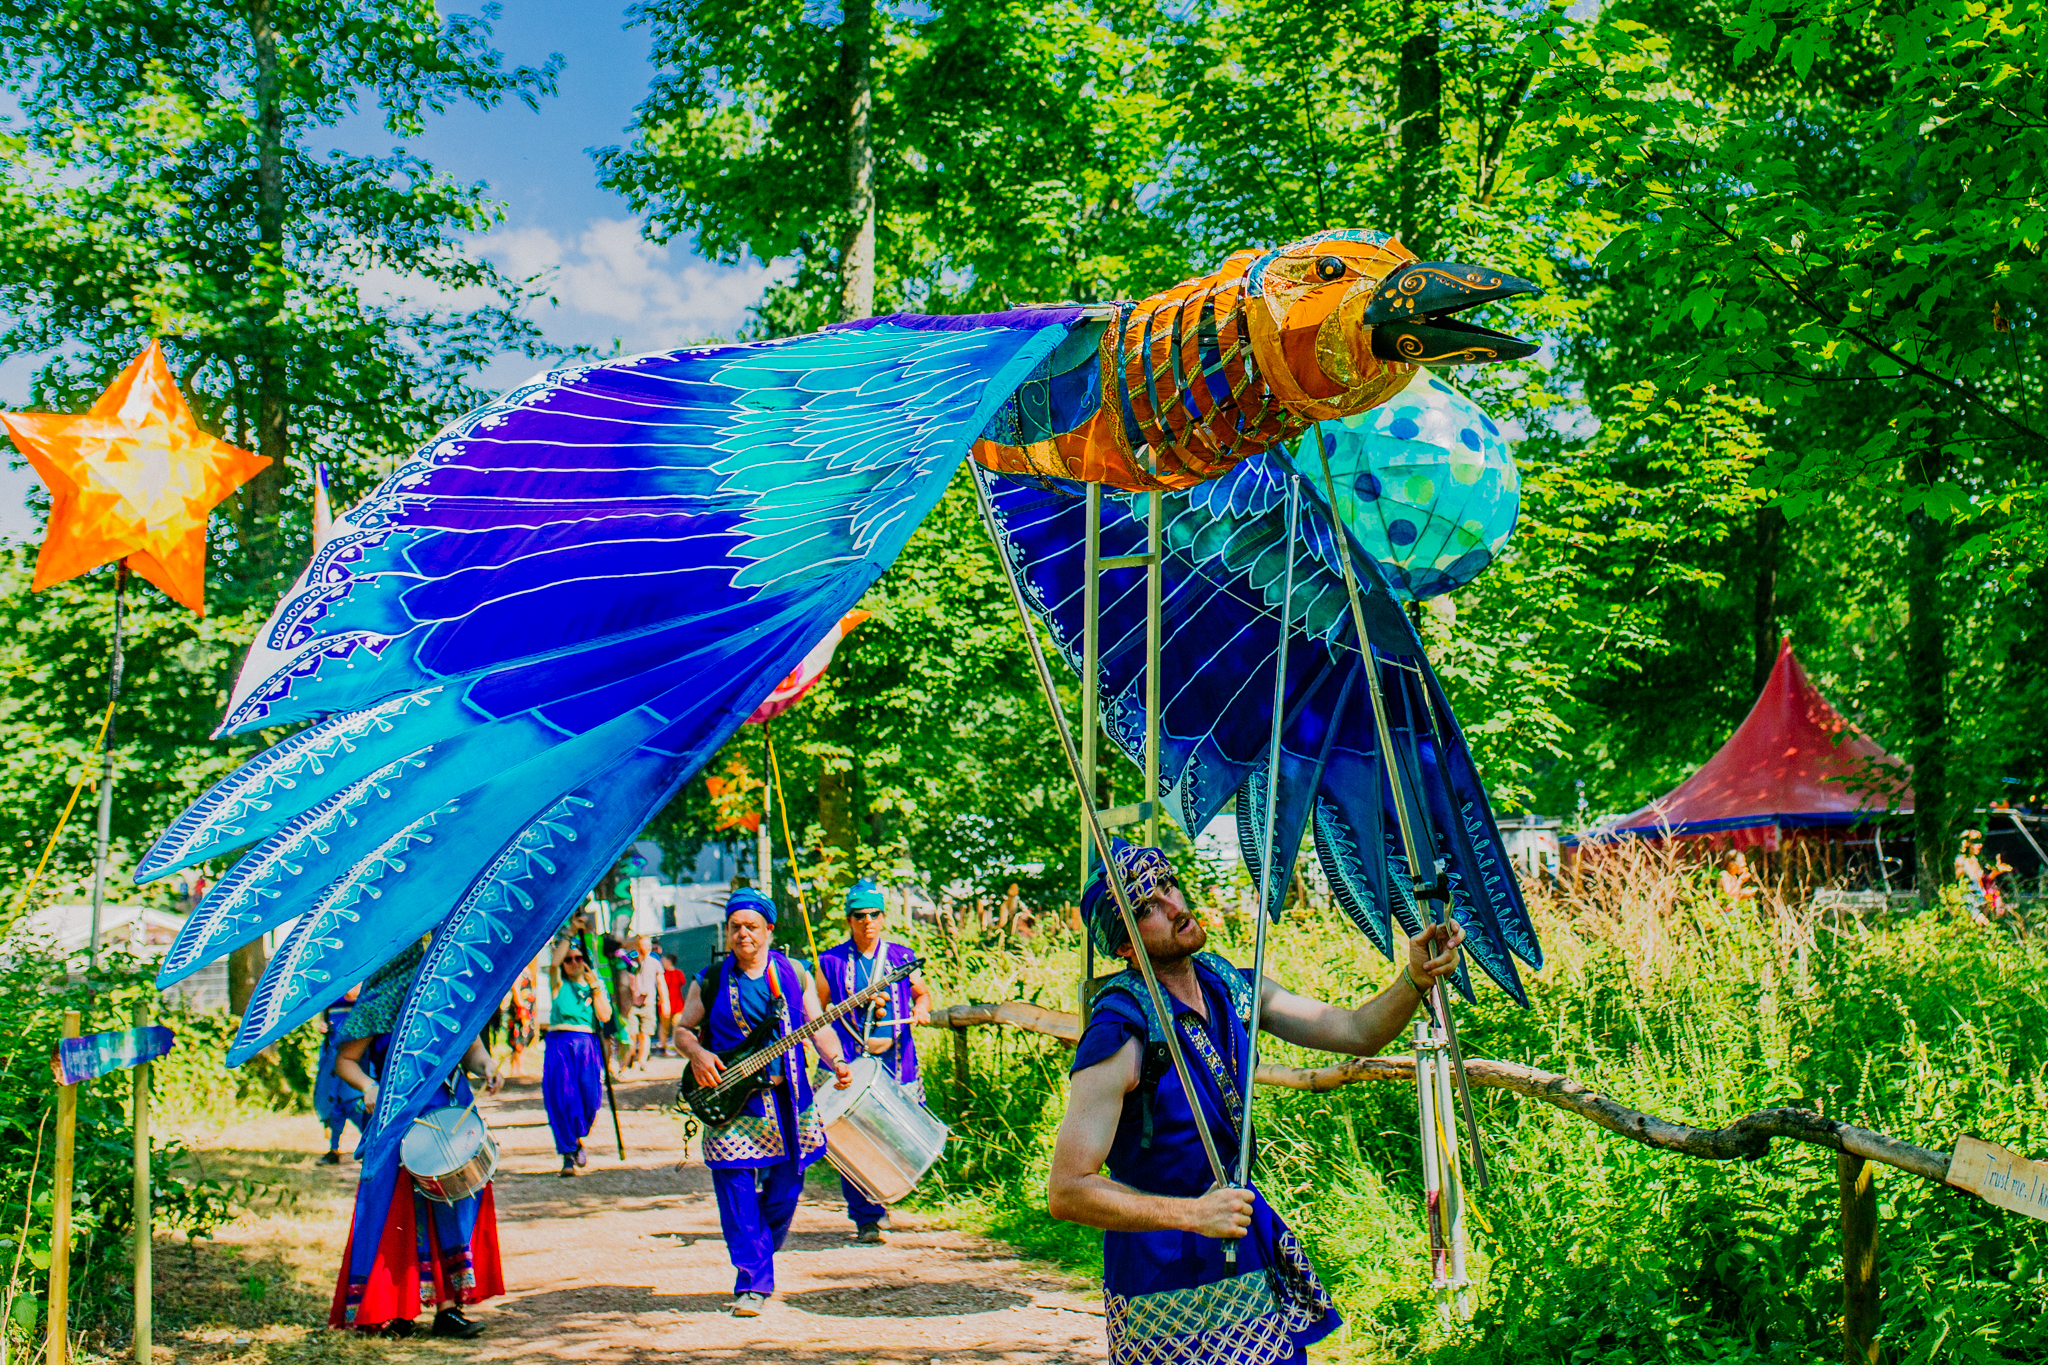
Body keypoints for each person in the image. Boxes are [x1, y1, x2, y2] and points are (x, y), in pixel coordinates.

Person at [1047, 840, 1464, 1364]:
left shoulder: (1234, 990)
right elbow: (1067, 1191)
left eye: (1168, 885)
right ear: (1126, 944)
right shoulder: (1120, 1036)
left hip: (1238, 1235)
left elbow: (1357, 1030)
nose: (1175, 906)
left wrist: (1413, 978)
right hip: (1160, 1268)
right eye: (1147, 907)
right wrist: (1193, 1214)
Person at [675, 889, 854, 1317]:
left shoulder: (797, 974)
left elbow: (816, 1024)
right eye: (735, 927)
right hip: (731, 1103)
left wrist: (838, 1060)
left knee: (787, 1189)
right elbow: (683, 1029)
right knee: (736, 1190)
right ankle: (752, 1282)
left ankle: (758, 1255)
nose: (743, 935)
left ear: (769, 930)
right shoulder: (711, 978)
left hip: (788, 1099)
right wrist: (697, 1053)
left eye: (751, 926)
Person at [329, 944, 505, 1338]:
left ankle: (448, 1310)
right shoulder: (384, 994)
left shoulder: (451, 994)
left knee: (451, 1205)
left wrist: (487, 1067)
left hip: (446, 1116)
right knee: (397, 1212)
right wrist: (369, 1086)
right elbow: (345, 1062)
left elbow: (471, 1051)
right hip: (394, 1117)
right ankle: (394, 1308)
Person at [815, 879, 933, 1243]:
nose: (868, 921)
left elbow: (922, 994)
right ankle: (867, 1217)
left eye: (874, 914)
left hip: (897, 1059)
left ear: (883, 917)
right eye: (859, 915)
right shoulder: (830, 961)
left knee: (892, 1134)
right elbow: (816, 1009)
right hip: (850, 1059)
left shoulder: (901, 956)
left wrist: (921, 1010)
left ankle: (888, 1194)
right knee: (854, 1135)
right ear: (849, 920)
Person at [544, 941, 614, 1176]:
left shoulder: (595, 985)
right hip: (560, 1043)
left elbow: (604, 1015)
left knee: (591, 1097)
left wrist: (594, 987)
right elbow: (554, 963)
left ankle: (577, 1139)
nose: (574, 962)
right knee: (563, 1097)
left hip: (586, 1044)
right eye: (569, 959)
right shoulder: (558, 983)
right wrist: (572, 931)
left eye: (578, 958)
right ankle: (568, 1153)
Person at [314, 985, 364, 1165]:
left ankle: (368, 1145)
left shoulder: (362, 983)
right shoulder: (330, 990)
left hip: (356, 1050)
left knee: (356, 1102)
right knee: (332, 1101)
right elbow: (324, 1019)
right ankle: (333, 1149)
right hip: (332, 1050)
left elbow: (353, 994)